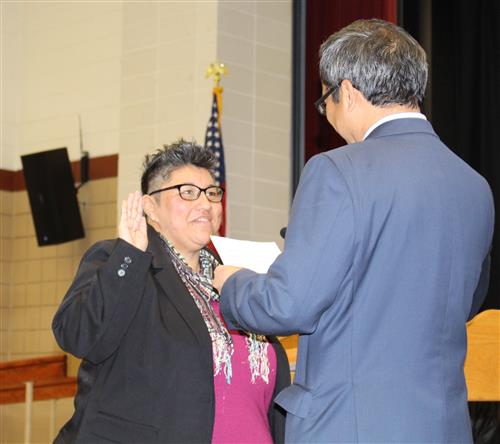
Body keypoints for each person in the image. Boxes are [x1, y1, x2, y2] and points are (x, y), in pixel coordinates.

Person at [214, 19, 495, 443]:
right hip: (444, 429)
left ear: (347, 91)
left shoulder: (338, 170)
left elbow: (288, 305)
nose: (327, 116)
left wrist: (231, 281)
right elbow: (466, 299)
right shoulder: (474, 186)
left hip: (351, 426)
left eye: (324, 101)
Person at [52, 140, 290, 443]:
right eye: (188, 193)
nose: (205, 204)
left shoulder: (233, 280)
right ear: (150, 206)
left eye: (212, 193)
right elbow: (78, 335)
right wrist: (128, 257)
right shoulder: (120, 261)